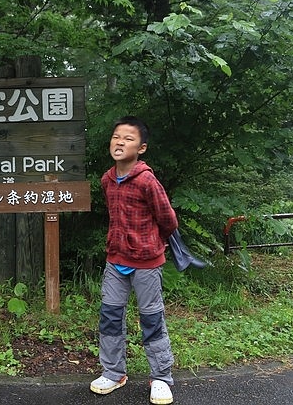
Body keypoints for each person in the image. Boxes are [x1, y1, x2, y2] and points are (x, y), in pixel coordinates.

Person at [90, 116, 178, 404]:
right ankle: (114, 373)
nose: (120, 142)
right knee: (110, 317)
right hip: (116, 260)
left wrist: (153, 243)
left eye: (128, 139)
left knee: (152, 318)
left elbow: (168, 219)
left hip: (147, 262)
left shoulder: (146, 180)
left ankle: (161, 378)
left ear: (141, 148)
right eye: (116, 137)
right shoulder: (107, 179)